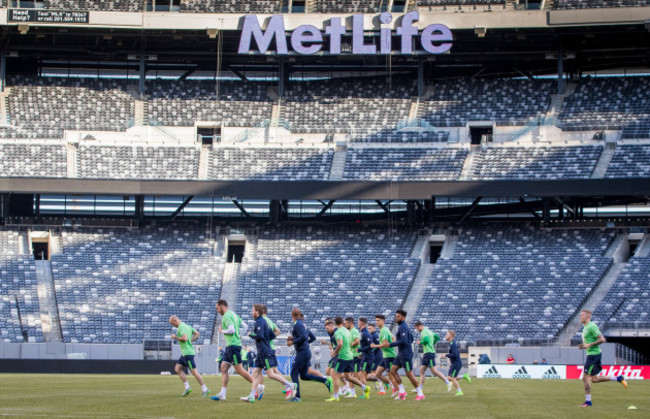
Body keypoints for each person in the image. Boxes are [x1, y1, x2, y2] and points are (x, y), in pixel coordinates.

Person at [577, 309, 627, 407]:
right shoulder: (585, 327)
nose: (580, 317)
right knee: (594, 379)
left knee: (585, 377)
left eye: (582, 315)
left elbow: (602, 339)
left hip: (593, 355)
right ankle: (618, 378)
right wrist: (583, 346)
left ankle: (588, 402)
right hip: (591, 354)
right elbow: (588, 342)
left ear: (588, 316)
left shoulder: (592, 326)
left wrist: (589, 345)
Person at [211, 299, 253, 402]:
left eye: (217, 308)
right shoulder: (233, 314)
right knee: (223, 368)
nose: (217, 310)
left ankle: (258, 386)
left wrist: (222, 331)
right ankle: (222, 394)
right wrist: (240, 336)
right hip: (230, 346)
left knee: (239, 370)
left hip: (233, 346)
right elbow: (245, 326)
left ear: (221, 306)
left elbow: (231, 330)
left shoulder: (226, 315)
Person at [287, 307, 332, 402]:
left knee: (293, 373)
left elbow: (303, 337)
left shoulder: (297, 325)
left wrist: (293, 342)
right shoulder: (303, 324)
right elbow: (313, 337)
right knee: (303, 376)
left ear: (292, 315)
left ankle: (297, 397)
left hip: (302, 352)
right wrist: (305, 343)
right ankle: (325, 380)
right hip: (306, 351)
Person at [380, 309, 422, 401]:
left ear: (403, 317)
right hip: (401, 353)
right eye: (396, 316)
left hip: (406, 354)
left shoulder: (403, 327)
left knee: (409, 374)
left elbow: (403, 341)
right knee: (393, 370)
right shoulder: (401, 327)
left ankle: (420, 393)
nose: (396, 317)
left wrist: (390, 344)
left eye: (398, 316)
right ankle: (402, 392)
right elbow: (411, 338)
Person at [325, 317, 368, 402]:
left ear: (334, 324)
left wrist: (335, 352)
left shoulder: (338, 332)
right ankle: (365, 388)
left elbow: (340, 343)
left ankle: (336, 396)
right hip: (350, 356)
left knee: (333, 375)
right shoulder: (347, 331)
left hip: (342, 356)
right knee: (348, 377)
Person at [241, 304, 277, 403]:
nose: (251, 312)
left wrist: (251, 335)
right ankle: (252, 395)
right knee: (256, 373)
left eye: (252, 310)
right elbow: (274, 334)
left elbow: (260, 335)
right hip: (263, 350)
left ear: (258, 311)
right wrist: (265, 340)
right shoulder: (265, 321)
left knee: (271, 374)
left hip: (264, 351)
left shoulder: (260, 321)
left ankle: (289, 385)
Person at [169, 315, 210, 397]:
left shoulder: (181, 327)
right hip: (185, 353)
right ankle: (187, 387)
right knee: (177, 368)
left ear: (174, 321)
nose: (172, 326)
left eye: (172, 324)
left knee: (194, 371)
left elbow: (184, 338)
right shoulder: (187, 326)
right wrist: (191, 341)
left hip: (188, 353)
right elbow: (197, 334)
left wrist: (175, 337)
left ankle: (205, 389)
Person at [261, 305, 295, 399]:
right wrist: (271, 337)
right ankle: (255, 391)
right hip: (269, 348)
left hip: (267, 349)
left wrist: (266, 339)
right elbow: (278, 331)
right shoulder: (269, 320)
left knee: (272, 373)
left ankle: (289, 386)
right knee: (260, 371)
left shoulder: (263, 320)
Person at [414, 321, 452, 395]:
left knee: (434, 371)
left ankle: (448, 382)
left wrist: (420, 342)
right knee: (421, 370)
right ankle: (420, 389)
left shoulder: (423, 332)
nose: (417, 330)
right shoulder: (429, 331)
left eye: (416, 328)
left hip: (429, 353)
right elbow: (437, 337)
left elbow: (426, 340)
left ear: (419, 326)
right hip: (426, 353)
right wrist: (432, 343)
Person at [370, 314, 397, 396]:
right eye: (376, 320)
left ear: (383, 321)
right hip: (385, 355)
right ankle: (393, 386)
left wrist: (376, 346)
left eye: (379, 320)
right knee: (378, 374)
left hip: (389, 355)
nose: (377, 322)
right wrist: (386, 345)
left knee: (390, 374)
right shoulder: (384, 330)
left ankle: (398, 391)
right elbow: (393, 339)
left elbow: (385, 344)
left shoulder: (384, 330)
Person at [444, 330, 471, 396]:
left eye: (447, 334)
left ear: (450, 335)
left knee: (452, 378)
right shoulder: (451, 343)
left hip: (456, 363)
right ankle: (464, 376)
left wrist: (446, 355)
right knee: (450, 378)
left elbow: (455, 354)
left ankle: (459, 392)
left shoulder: (453, 344)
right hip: (454, 363)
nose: (446, 335)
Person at [357, 317, 378, 395]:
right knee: (364, 375)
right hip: (365, 356)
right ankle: (378, 379)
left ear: (362, 323)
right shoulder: (362, 332)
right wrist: (362, 354)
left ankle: (365, 393)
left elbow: (371, 345)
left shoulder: (366, 333)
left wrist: (360, 350)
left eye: (358, 322)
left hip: (368, 357)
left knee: (361, 375)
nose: (358, 323)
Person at [344, 317, 362, 398]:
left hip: (355, 356)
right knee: (351, 376)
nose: (345, 325)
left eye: (346, 323)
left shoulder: (354, 331)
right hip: (351, 356)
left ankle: (360, 391)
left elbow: (357, 341)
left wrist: (350, 345)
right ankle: (352, 393)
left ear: (350, 323)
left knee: (353, 376)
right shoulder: (349, 331)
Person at [367, 322, 385, 394]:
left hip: (377, 356)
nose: (369, 329)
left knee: (374, 372)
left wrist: (371, 351)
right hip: (373, 356)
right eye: (368, 328)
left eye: (370, 328)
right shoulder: (371, 335)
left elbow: (378, 346)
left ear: (374, 328)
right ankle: (380, 385)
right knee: (372, 372)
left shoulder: (375, 335)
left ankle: (382, 386)